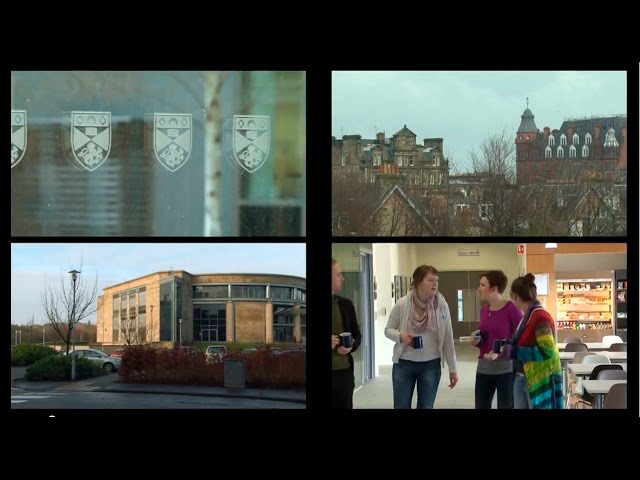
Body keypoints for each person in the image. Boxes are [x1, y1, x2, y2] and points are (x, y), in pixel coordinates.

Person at [384, 265, 458, 409]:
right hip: (404, 364)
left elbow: (448, 339)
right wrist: (401, 336)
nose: (435, 283)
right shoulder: (403, 304)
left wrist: (453, 369)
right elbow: (388, 330)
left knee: (426, 406)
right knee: (401, 405)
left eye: (436, 280)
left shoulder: (441, 306)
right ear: (418, 282)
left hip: (430, 365)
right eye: (430, 280)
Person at [487, 273, 563, 409]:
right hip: (522, 376)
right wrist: (503, 347)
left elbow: (547, 351)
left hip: (538, 379)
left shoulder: (540, 317)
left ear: (515, 296)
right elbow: (522, 342)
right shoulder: (527, 316)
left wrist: (513, 351)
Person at [473, 271, 522, 409]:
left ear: (494, 288)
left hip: (505, 369)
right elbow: (486, 336)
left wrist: (500, 352)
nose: (479, 288)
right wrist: (477, 341)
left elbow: (519, 340)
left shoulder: (512, 310)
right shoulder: (484, 310)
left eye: (483, 285)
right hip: (484, 367)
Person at [331, 258, 362, 408]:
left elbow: (357, 336)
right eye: (338, 274)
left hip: (344, 374)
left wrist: (351, 346)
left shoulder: (345, 304)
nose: (342, 278)